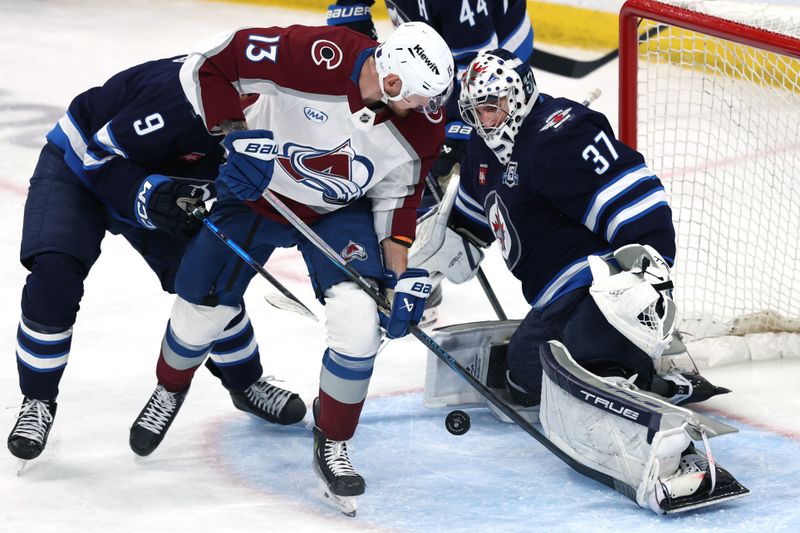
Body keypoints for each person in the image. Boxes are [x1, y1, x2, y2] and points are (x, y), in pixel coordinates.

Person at [128, 21, 453, 514]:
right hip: (256, 193)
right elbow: (210, 66)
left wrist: (399, 275)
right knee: (200, 307)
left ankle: (335, 440)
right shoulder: (310, 54)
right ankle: (169, 389)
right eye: (416, 98)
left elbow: (398, 197)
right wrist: (236, 138)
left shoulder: (422, 124)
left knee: (359, 324)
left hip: (338, 213)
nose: (426, 111)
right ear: (390, 82)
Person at [409, 48, 742, 514]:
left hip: (599, 283)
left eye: (495, 107)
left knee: (592, 364)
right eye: (477, 110)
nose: (486, 120)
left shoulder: (561, 135)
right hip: (553, 297)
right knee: (524, 375)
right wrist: (417, 274)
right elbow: (469, 226)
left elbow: (637, 195)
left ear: (521, 95)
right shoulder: (484, 148)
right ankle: (648, 372)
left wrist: (646, 270)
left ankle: (677, 454)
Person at [7, 53, 307, 464]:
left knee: (209, 286)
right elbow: (98, 156)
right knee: (54, 275)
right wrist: (149, 193)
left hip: (169, 188)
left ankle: (246, 382)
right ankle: (37, 400)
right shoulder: (175, 97)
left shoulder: (284, 112)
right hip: (80, 170)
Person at [327, 1, 535, 322]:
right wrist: (369, 73)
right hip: (427, 54)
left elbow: (478, 68)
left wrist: (456, 134)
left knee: (426, 166)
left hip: (497, 63)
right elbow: (348, 13)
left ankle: (417, 279)